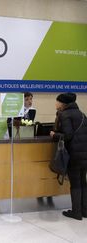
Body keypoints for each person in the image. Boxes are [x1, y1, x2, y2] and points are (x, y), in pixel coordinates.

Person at [50, 92, 87, 220]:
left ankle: (76, 212)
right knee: (83, 182)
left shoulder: (64, 115)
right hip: (85, 153)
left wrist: (54, 135)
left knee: (76, 183)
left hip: (74, 154)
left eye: (57, 101)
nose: (56, 103)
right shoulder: (82, 114)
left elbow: (68, 135)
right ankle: (84, 210)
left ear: (63, 103)